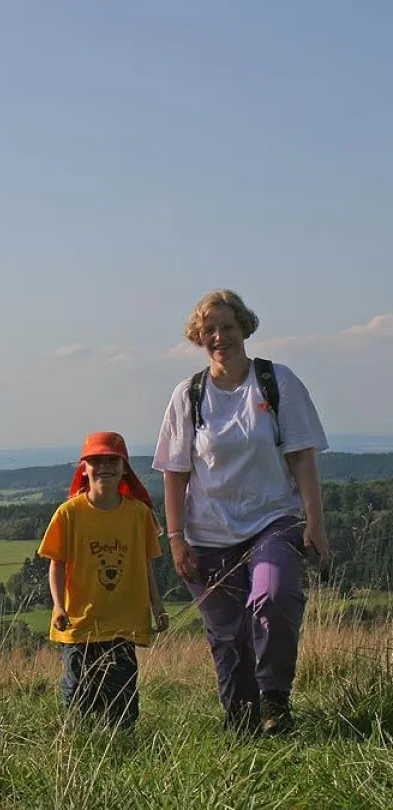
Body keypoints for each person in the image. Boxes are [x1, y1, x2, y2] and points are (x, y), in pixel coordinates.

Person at [153, 289, 330, 735]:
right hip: (208, 534)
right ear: (198, 337)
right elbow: (174, 474)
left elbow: (302, 456)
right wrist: (176, 539)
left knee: (274, 595)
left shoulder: (276, 381)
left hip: (273, 521)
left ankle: (275, 698)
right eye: (209, 330)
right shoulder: (188, 395)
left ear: (244, 328)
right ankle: (244, 725)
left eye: (227, 327)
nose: (219, 337)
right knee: (229, 639)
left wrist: (315, 522)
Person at [38, 432, 168, 729]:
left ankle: (120, 751)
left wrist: (158, 605)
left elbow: (145, 565)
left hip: (124, 625)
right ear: (83, 468)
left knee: (122, 708)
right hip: (79, 625)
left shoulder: (138, 514)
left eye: (112, 460)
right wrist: (58, 606)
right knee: (79, 705)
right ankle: (81, 751)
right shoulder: (68, 513)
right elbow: (56, 565)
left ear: (124, 468)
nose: (104, 467)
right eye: (96, 461)